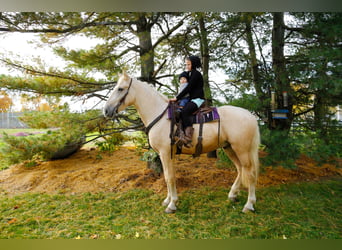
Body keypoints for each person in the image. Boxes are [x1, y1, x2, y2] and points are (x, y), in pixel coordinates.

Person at [170, 55, 205, 147]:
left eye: (189, 64)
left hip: (198, 99)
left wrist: (177, 98)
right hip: (191, 99)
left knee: (185, 111)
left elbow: (188, 88)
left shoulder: (196, 74)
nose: (187, 66)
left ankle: (188, 137)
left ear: (194, 64)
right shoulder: (190, 74)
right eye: (186, 64)